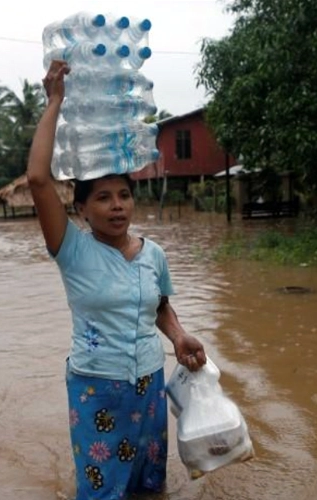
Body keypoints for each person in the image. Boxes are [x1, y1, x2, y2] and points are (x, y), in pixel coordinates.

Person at [26, 59, 207, 499]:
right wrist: (55, 102)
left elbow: (160, 306)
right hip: (96, 389)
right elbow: (37, 178)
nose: (117, 205)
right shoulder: (71, 249)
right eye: (103, 198)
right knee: (103, 490)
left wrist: (178, 336)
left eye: (124, 194)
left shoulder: (154, 254)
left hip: (149, 385)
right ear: (81, 209)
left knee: (149, 486)